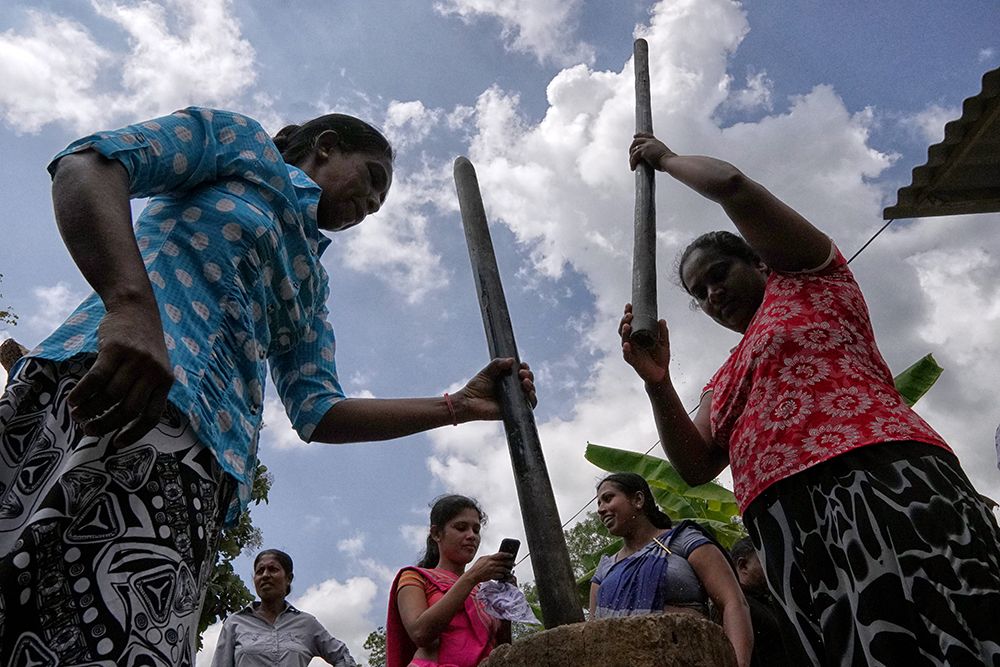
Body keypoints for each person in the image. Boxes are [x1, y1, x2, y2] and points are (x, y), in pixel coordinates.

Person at [0, 107, 536, 665]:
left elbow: (319, 410)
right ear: (326, 145)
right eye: (372, 180)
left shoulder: (311, 284)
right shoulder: (240, 145)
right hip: (99, 389)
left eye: (379, 205)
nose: (371, 206)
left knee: (119, 643)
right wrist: (131, 304)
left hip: (194, 472)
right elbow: (89, 165)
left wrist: (458, 406)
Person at [621, 132, 1000, 666]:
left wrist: (661, 158)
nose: (713, 294)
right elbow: (694, 463)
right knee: (856, 646)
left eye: (719, 274)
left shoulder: (807, 276)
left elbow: (732, 185)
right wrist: (657, 383)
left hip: (876, 476)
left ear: (758, 263)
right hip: (785, 522)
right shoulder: (722, 378)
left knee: (948, 620)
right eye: (699, 294)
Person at [588, 472, 752, 667]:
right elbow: (594, 635)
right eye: (599, 504)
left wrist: (738, 663)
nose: (601, 509)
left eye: (608, 498)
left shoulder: (682, 541)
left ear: (638, 500)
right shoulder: (605, 569)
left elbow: (733, 603)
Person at [386, 495, 513, 667]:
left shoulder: (483, 591)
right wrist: (472, 577)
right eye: (461, 528)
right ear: (437, 534)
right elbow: (420, 632)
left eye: (476, 530)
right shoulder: (414, 577)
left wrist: (506, 600)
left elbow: (502, 648)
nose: (471, 536)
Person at [211, 549, 356, 666]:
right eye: (259, 571)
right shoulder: (235, 623)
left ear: (288, 578)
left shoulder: (307, 624)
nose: (265, 575)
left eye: (273, 569)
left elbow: (342, 657)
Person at [730, 537, 798, 667]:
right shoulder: (736, 608)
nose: (772, 569)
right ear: (743, 565)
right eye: (765, 561)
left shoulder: (767, 604)